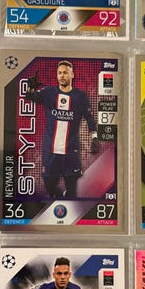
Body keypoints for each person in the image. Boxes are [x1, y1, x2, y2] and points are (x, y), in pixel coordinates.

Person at [26, 60, 98, 198]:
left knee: (72, 191)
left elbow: (89, 118)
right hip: (50, 150)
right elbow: (30, 96)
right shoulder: (48, 92)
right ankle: (61, 199)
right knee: (49, 185)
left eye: (65, 72)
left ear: (72, 74)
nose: (62, 75)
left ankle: (67, 203)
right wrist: (30, 88)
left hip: (70, 150)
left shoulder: (80, 96)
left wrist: (94, 138)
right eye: (59, 73)